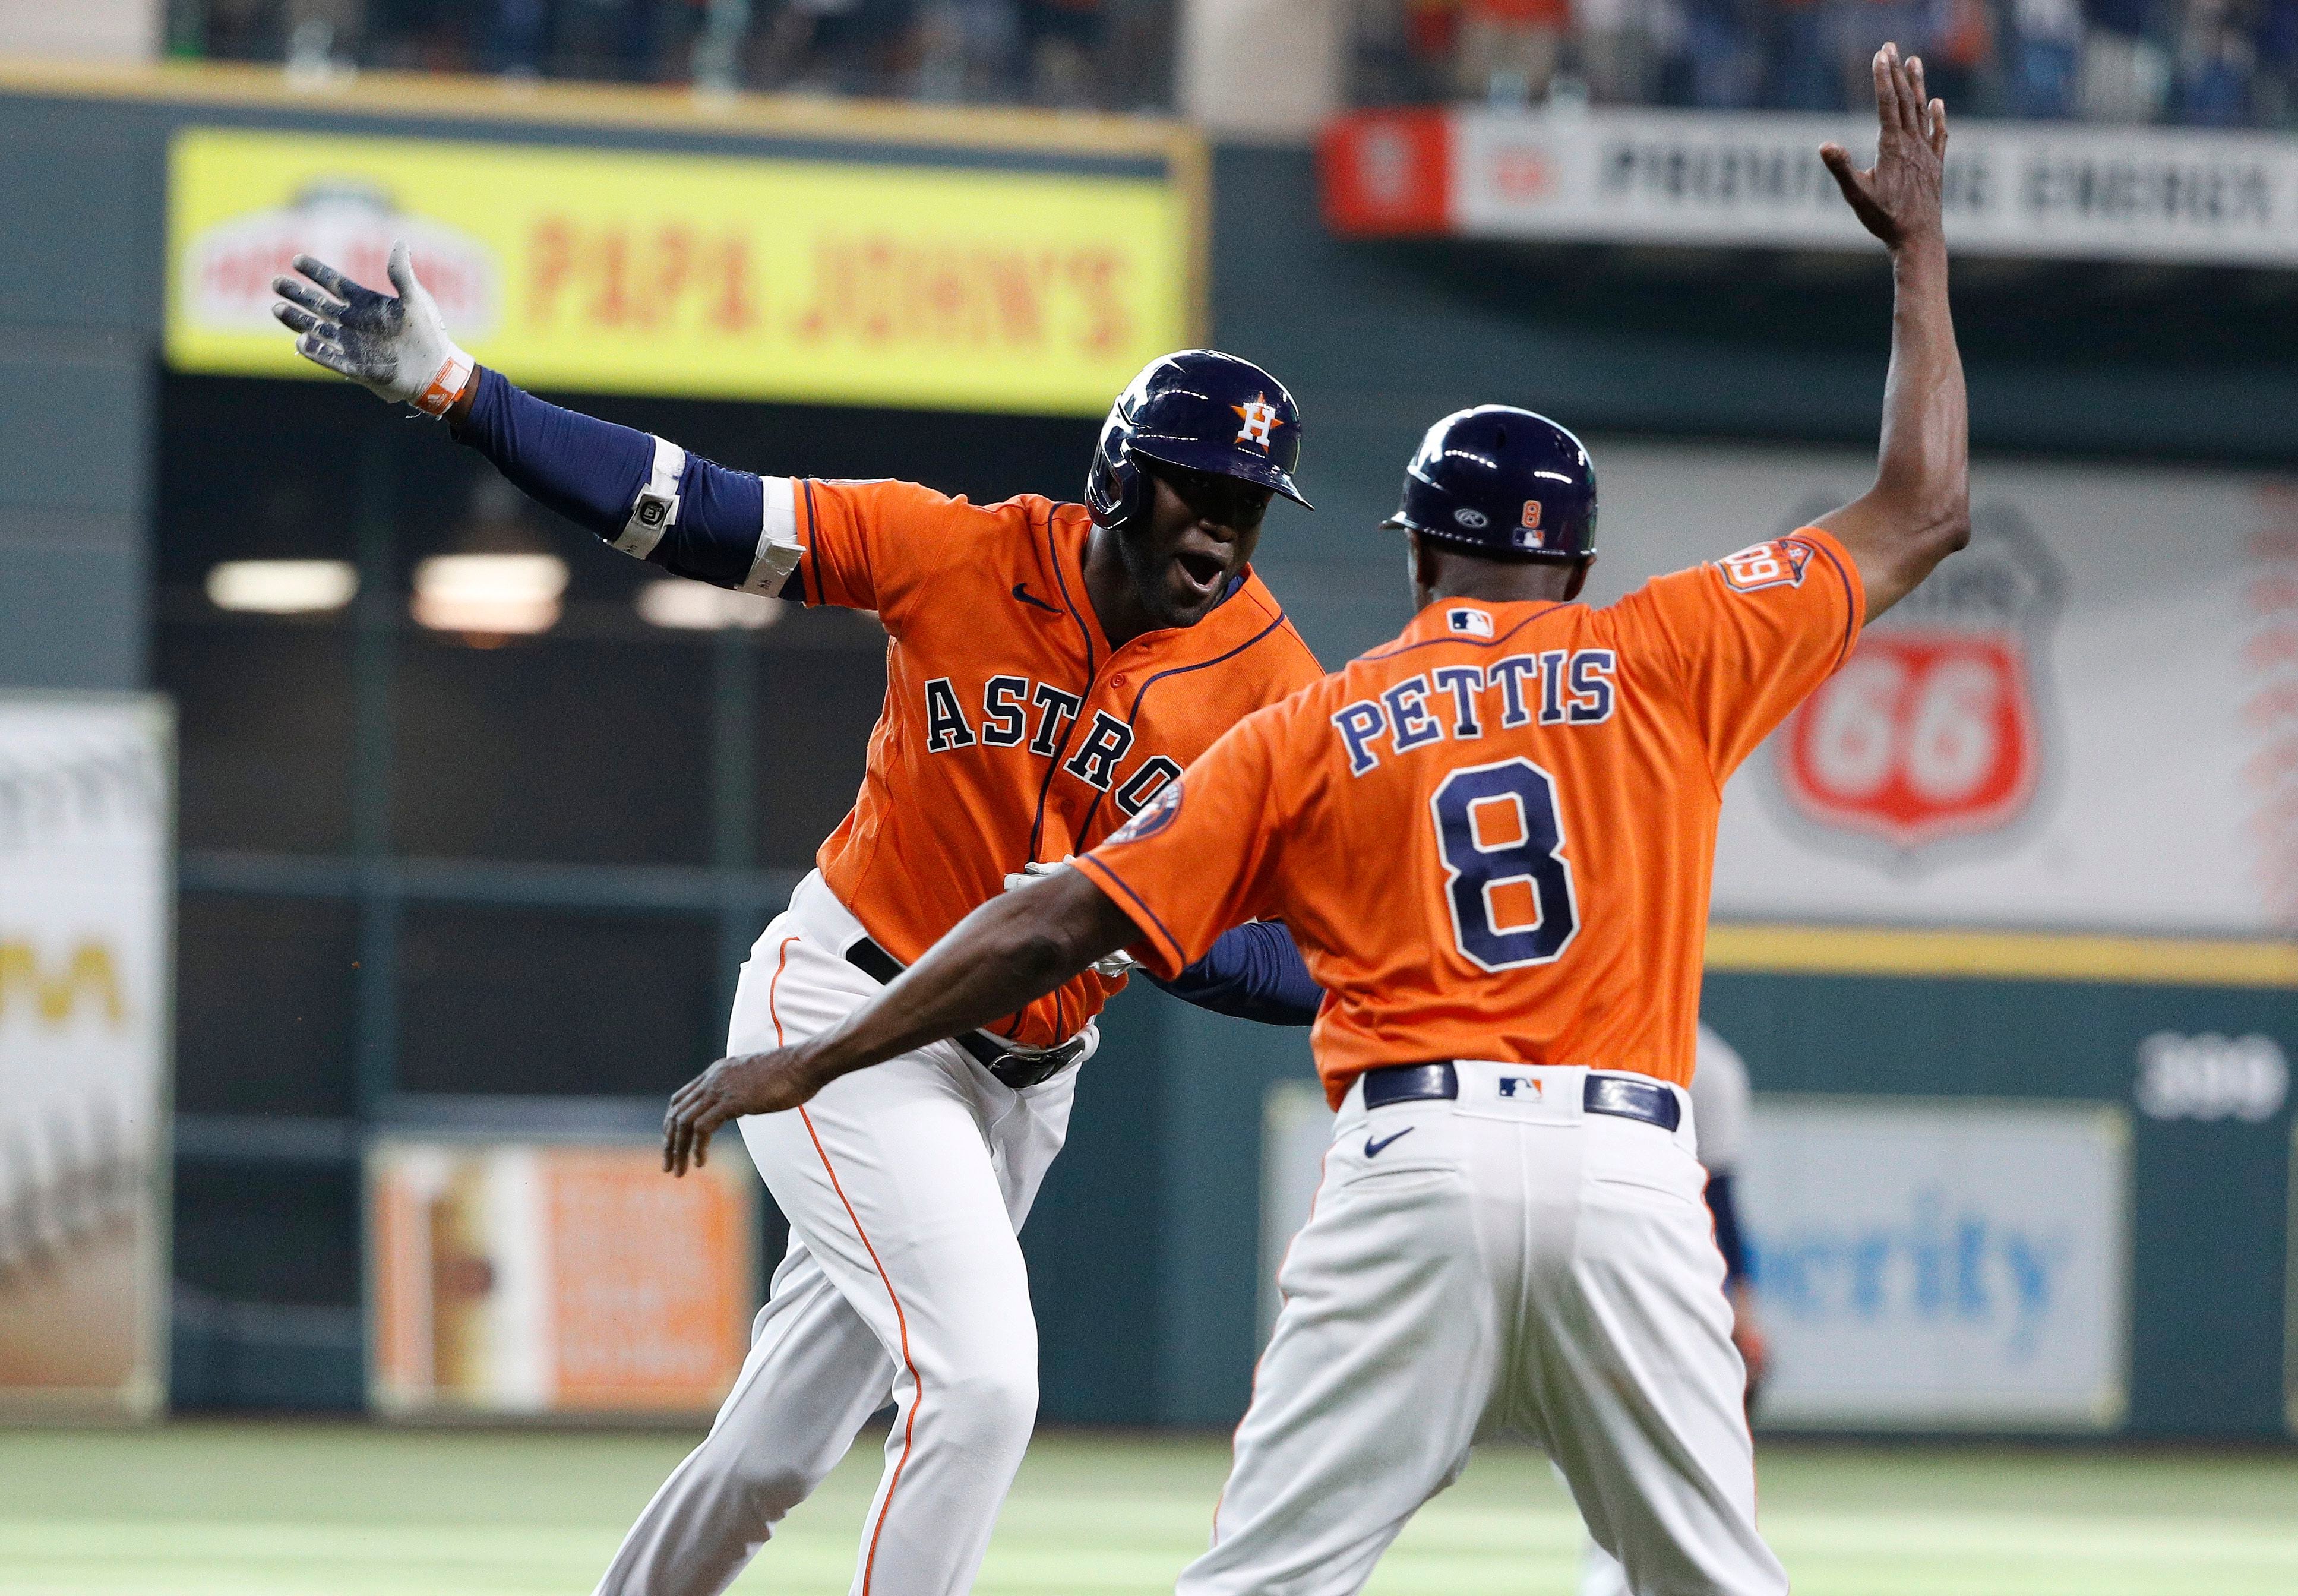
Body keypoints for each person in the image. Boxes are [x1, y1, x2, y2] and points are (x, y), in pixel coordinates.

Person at [659, 42, 1964, 1595]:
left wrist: (810, 1052)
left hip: (1411, 1154)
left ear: (1417, 554)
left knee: (1260, 1581)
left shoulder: (1317, 719)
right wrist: (1916, 253)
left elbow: (1054, 914)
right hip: (1628, 1165)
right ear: (1578, 566)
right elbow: (1920, 505)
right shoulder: (1671, 649)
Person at [269, 259, 1328, 1595]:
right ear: (1121, 476)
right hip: (847, 1012)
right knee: (984, 1380)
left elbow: (1319, 952)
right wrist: (454, 388)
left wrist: (1153, 927)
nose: (1224, 534)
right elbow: (689, 508)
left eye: (1248, 507)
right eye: (1203, 492)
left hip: (1024, 1089)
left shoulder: (1269, 677)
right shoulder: (958, 551)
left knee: (770, 1454)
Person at [1579, 1020, 1768, 1596]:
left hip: (1617, 1266)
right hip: (1649, 1273)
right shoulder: (1709, 1063)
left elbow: (1721, 1198)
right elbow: (1721, 1203)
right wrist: (1743, 1310)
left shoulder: (1707, 1064)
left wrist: (1742, 1309)